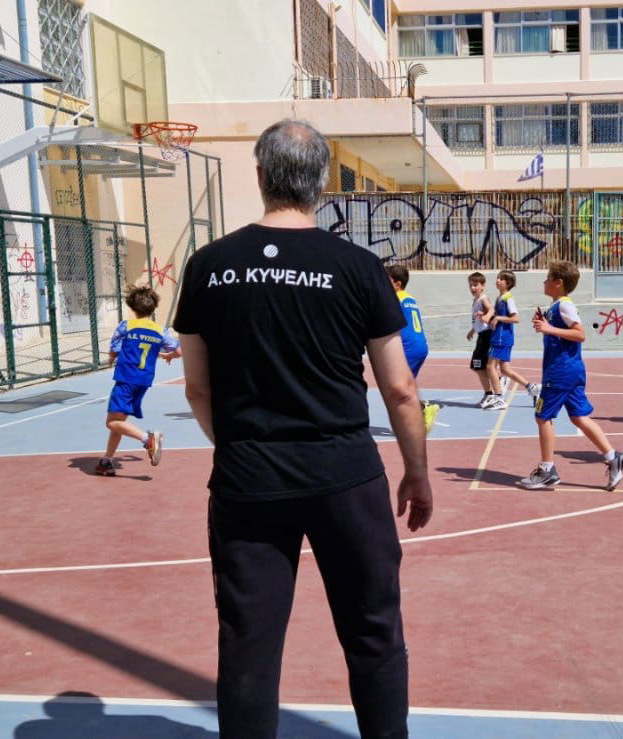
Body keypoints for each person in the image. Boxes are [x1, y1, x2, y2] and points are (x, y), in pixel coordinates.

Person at [172, 119, 432, 739]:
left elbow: (197, 388)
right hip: (346, 475)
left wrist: (240, 448)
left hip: (248, 482)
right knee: (373, 631)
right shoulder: (360, 267)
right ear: (320, 183)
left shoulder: (207, 266)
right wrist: (416, 472)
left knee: (248, 642)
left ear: (259, 175)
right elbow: (399, 387)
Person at [518, 260, 623, 492]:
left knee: (542, 417)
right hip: (570, 370)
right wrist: (547, 324)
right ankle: (613, 456)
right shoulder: (557, 306)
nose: (544, 282)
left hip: (561, 372)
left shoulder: (564, 305)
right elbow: (564, 333)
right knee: (578, 417)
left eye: (548, 278)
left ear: (558, 283)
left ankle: (547, 470)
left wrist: (549, 329)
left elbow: (580, 334)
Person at [95, 286, 180, 477]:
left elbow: (114, 348)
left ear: (132, 307)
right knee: (119, 422)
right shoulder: (160, 330)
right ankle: (106, 462)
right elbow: (179, 351)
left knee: (111, 423)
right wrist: (168, 355)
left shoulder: (126, 326)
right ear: (154, 307)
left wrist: (111, 358)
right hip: (144, 381)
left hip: (126, 378)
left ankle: (148, 439)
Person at [387, 264, 439, 434]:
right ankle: (415, 417)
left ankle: (423, 410)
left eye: (387, 280)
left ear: (397, 284)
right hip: (420, 345)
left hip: (408, 347)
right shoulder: (410, 298)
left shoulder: (395, 299)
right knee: (403, 386)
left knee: (397, 387)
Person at [484, 269, 538, 411]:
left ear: (508, 283)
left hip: (502, 338)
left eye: (501, 279)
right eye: (497, 278)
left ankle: (499, 398)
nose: (497, 280)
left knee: (490, 367)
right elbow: (498, 317)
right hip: (500, 337)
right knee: (505, 369)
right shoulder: (499, 298)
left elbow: (516, 318)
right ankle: (532, 388)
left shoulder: (508, 298)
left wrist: (497, 318)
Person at [465, 272, 498, 408]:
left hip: (487, 336)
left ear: (482, 286)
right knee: (479, 366)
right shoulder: (475, 300)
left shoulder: (483, 299)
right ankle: (489, 392)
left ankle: (491, 393)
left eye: (476, 285)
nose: (473, 288)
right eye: (471, 285)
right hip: (481, 335)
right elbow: (479, 320)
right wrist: (472, 330)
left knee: (478, 366)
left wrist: (487, 315)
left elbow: (491, 309)